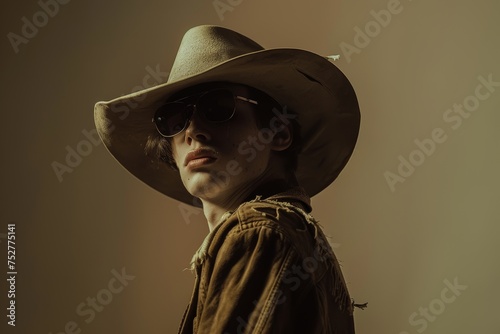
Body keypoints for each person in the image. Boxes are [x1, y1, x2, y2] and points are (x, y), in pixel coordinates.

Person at [94, 25, 362, 334]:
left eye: (218, 107)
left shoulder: (259, 231)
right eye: (174, 119)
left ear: (278, 132)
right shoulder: (286, 233)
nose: (193, 131)